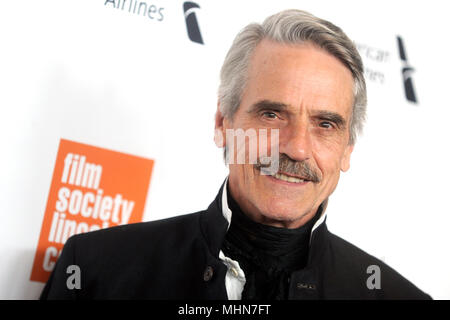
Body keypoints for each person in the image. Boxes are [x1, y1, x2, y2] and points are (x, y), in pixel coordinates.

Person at [40, 9, 431, 300]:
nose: (295, 146)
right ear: (223, 123)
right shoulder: (96, 271)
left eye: (325, 124)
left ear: (348, 148)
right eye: (272, 114)